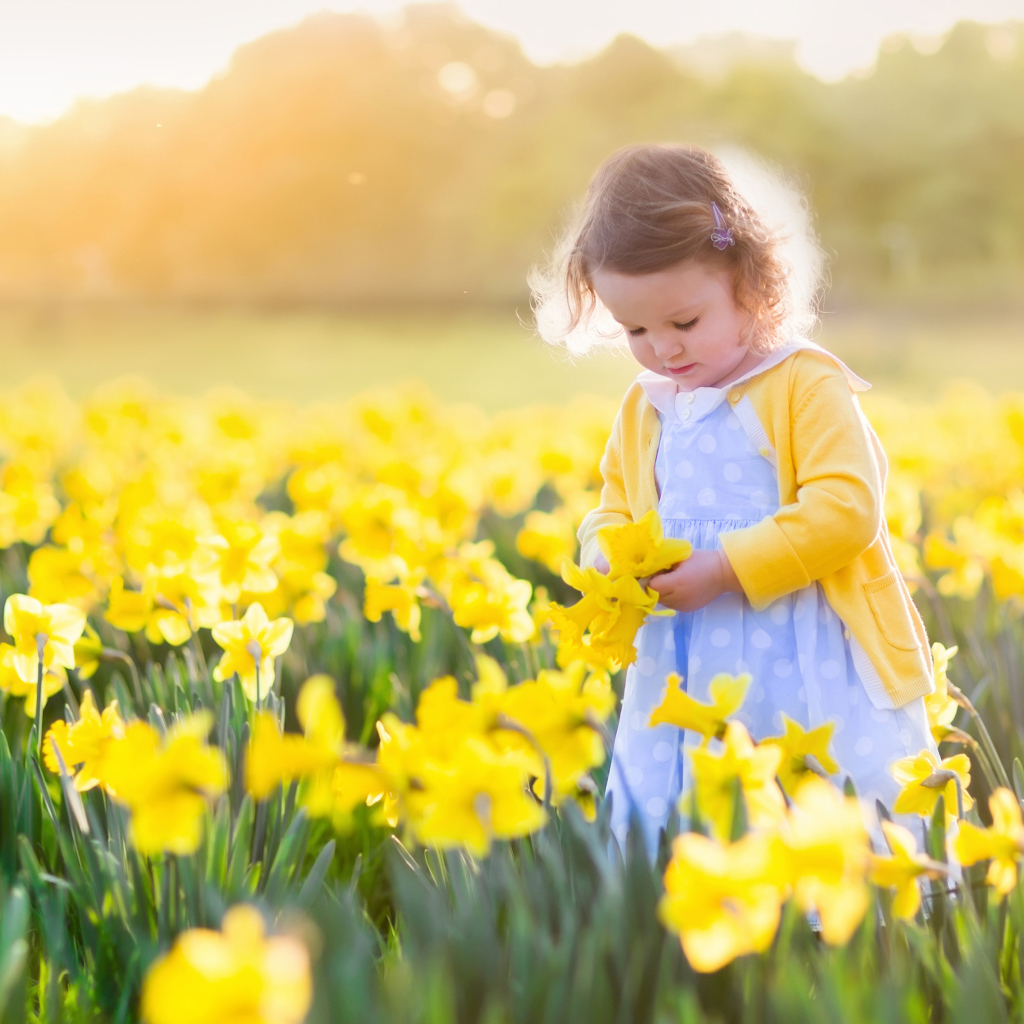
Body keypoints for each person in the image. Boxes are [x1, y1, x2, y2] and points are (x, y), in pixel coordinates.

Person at [531, 143, 937, 861]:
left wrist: (726, 569)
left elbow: (846, 511)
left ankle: (837, 942)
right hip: (681, 662)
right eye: (635, 330)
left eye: (684, 323)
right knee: (690, 811)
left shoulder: (804, 384)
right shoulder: (647, 404)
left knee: (811, 811)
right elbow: (615, 506)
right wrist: (604, 555)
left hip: (804, 646)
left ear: (753, 286)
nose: (662, 349)